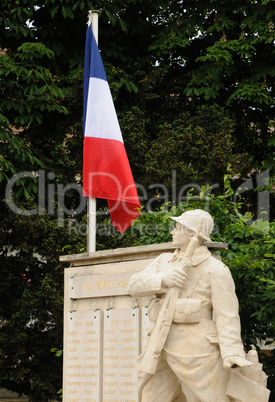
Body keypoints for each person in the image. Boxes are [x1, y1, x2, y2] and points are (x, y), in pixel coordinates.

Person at [127, 209, 253, 402]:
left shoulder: (215, 269)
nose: (172, 232)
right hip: (161, 344)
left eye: (178, 227)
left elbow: (227, 315)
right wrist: (163, 279)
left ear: (193, 234)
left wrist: (231, 352)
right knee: (150, 396)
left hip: (198, 351)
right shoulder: (164, 261)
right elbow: (133, 285)